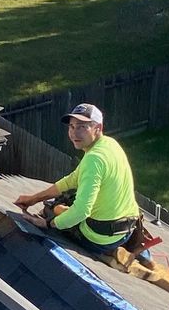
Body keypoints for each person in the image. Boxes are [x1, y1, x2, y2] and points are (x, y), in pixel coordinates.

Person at [11, 103, 142, 253]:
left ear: (97, 128)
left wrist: (47, 224)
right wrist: (33, 199)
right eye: (72, 127)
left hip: (101, 238)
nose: (74, 133)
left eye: (82, 127)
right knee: (68, 197)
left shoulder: (94, 159)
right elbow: (72, 180)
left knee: (53, 209)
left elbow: (81, 211)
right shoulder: (109, 144)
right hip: (127, 229)